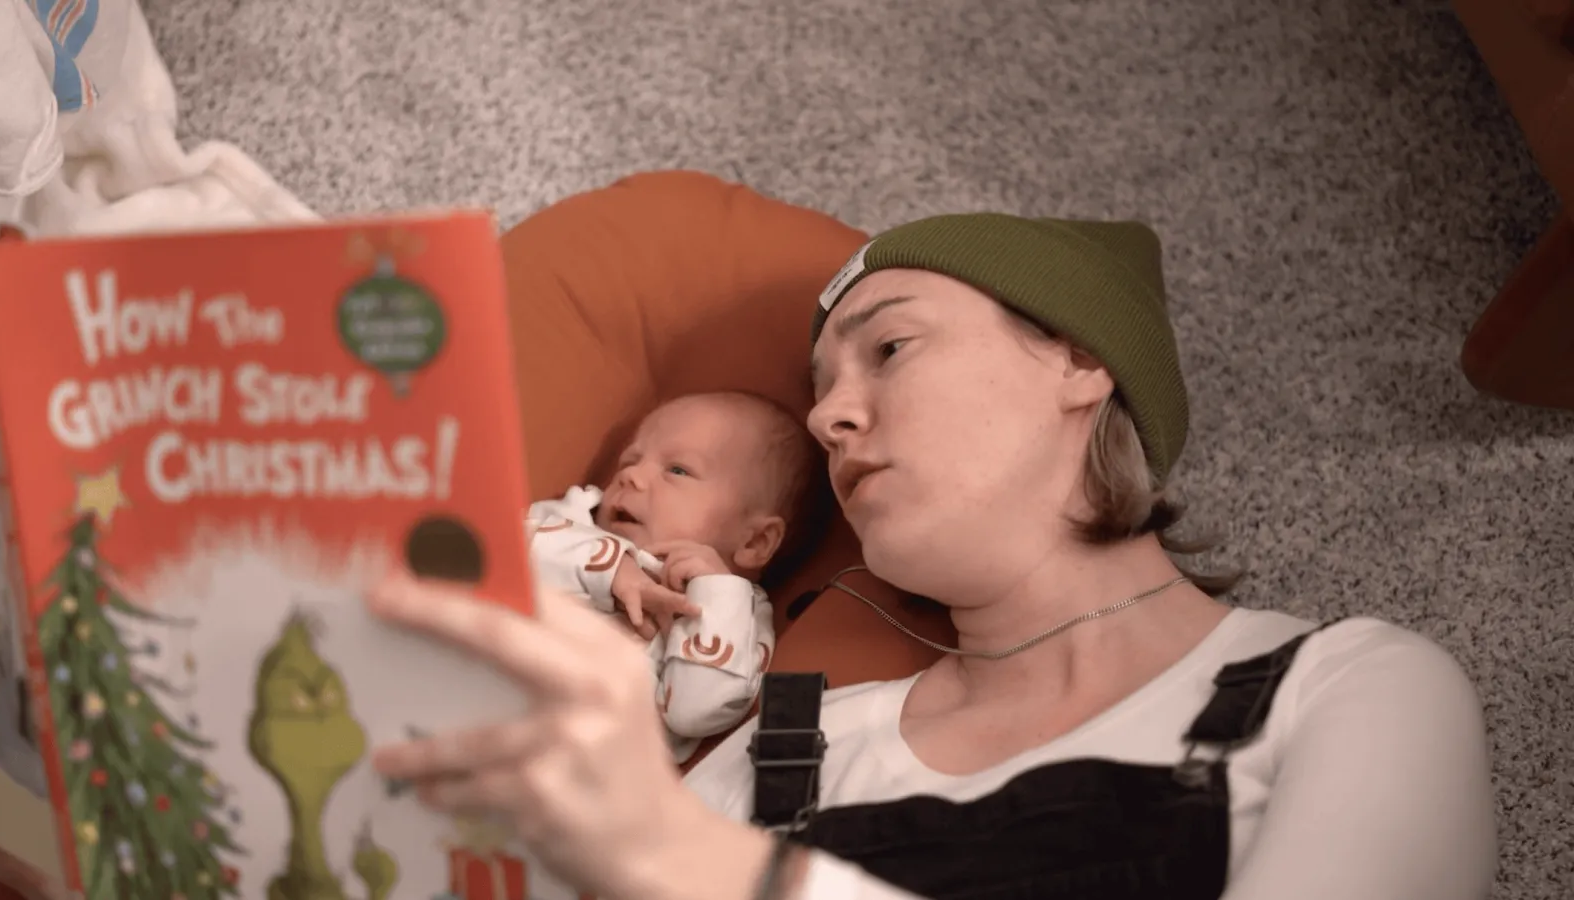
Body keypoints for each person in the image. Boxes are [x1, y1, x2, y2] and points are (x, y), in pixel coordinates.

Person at [365, 213, 1499, 900]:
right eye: (818, 396)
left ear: (1078, 362)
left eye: (890, 348)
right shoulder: (790, 745)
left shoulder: (1354, 687)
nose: (827, 420)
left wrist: (718, 870)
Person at [522, 391, 817, 763]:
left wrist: (715, 593)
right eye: (629, 460)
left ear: (755, 540)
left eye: (677, 470)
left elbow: (694, 712)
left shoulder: (734, 614)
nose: (631, 475)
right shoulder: (572, 521)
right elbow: (492, 551)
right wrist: (611, 568)